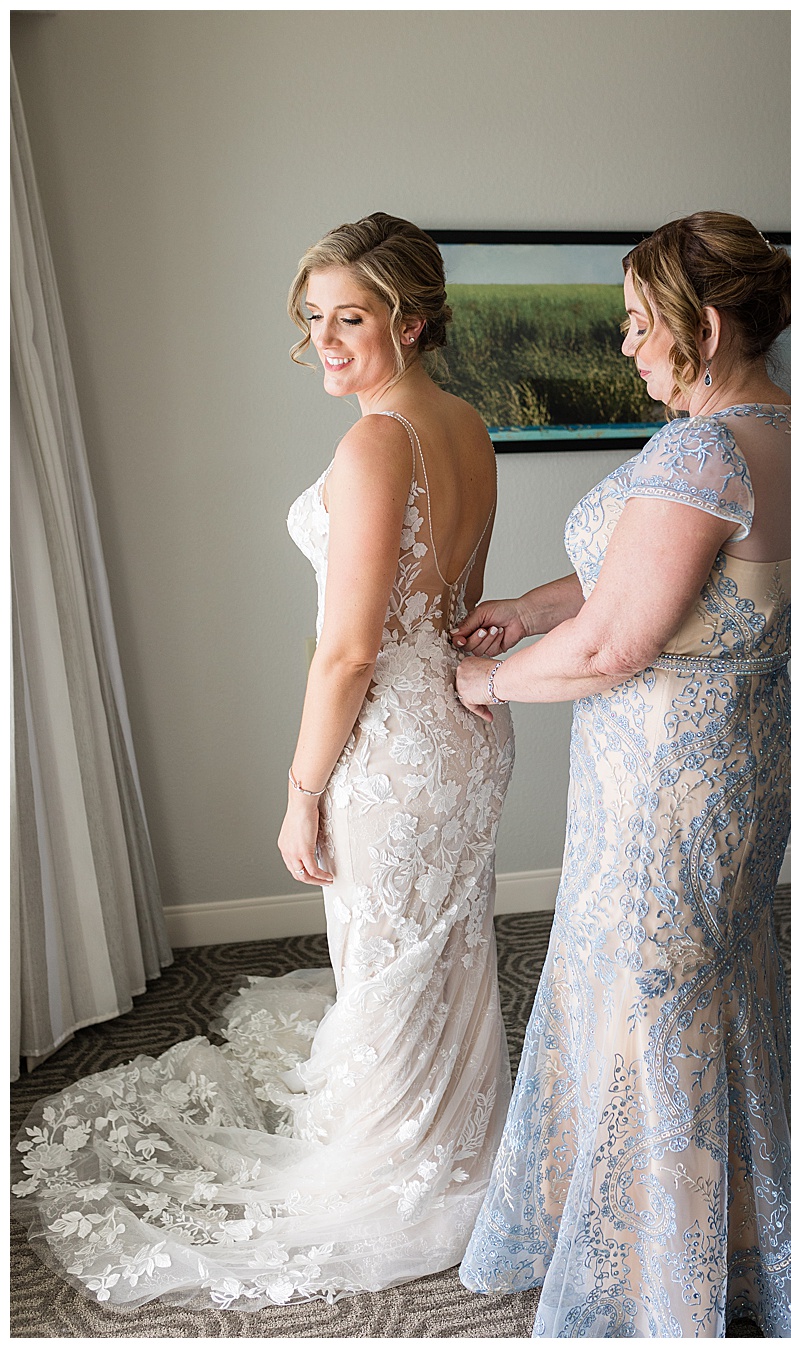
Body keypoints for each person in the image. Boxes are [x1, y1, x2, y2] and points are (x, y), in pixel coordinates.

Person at [13, 213, 515, 1309]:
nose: (326, 345)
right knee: (438, 948)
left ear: (412, 318)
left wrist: (301, 791)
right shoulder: (466, 421)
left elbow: (347, 651)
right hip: (463, 735)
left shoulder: (378, 441)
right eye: (314, 322)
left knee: (392, 957)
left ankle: (399, 1172)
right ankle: (459, 1145)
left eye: (351, 320)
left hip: (389, 741)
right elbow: (454, 603)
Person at [451, 211, 791, 1337]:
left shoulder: (701, 448)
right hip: (737, 745)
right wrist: (526, 611)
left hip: (672, 770)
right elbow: (645, 583)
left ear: (704, 325)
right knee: (698, 993)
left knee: (648, 1003)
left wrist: (486, 686)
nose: (626, 345)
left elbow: (617, 644)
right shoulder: (774, 426)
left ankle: (661, 1286)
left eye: (639, 323)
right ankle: (728, 1249)